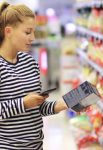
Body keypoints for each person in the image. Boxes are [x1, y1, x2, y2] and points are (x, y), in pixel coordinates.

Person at [0, 2, 68, 149]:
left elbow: (37, 108)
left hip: (36, 146)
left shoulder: (30, 62)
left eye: (34, 32)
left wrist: (63, 104)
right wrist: (23, 103)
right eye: (27, 32)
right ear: (8, 31)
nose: (33, 38)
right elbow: (25, 104)